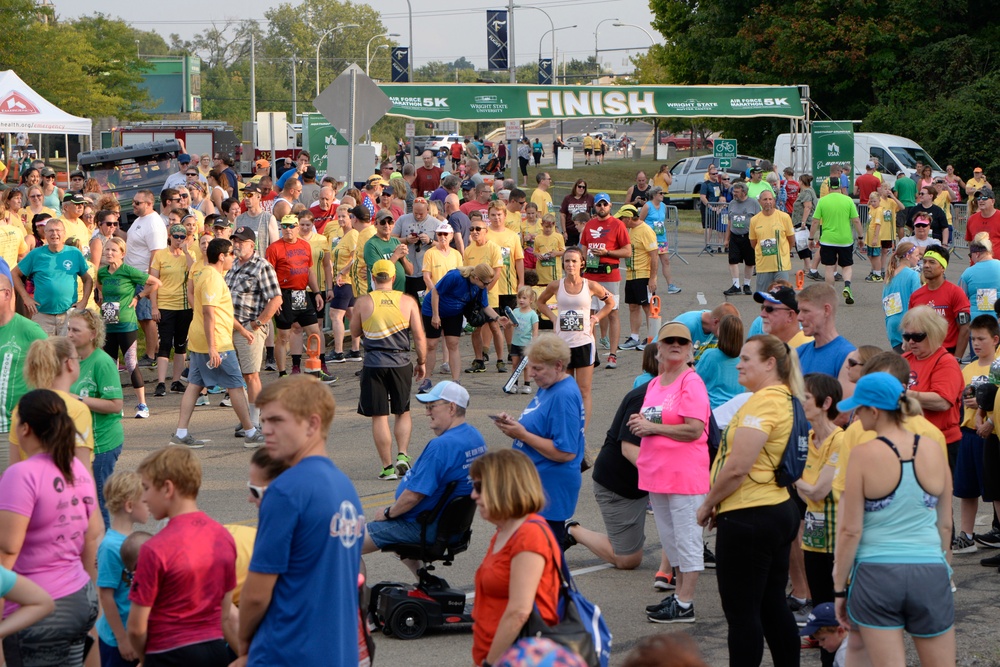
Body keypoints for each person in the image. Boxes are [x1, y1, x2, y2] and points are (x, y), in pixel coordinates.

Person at [235, 376, 365, 667]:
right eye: (264, 420)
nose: (266, 429)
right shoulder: (345, 487)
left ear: (312, 424)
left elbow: (256, 593)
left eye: (277, 421)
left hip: (289, 650)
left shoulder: (286, 490)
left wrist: (244, 643)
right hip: (339, 651)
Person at [832, 372, 954, 667]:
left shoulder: (863, 454)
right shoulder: (934, 449)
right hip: (929, 570)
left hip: (877, 573)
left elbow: (850, 530)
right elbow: (946, 523)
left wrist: (839, 587)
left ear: (874, 411)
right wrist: (945, 572)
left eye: (859, 409)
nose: (856, 416)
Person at [696, 335, 803, 667]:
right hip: (773, 509)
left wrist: (708, 503)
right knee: (771, 604)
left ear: (770, 363)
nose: (738, 364)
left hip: (752, 514)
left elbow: (738, 466)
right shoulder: (784, 398)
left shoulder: (764, 402)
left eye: (746, 359)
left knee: (742, 614)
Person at [0, 389, 102, 666]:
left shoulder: (20, 475)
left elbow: (7, 553)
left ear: (25, 428)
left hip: (35, 609)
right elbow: (92, 535)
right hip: (80, 597)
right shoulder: (75, 468)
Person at [630, 321, 711, 623]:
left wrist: (652, 427)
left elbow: (694, 429)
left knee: (687, 538)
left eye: (682, 341)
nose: (675, 344)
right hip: (657, 474)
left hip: (684, 476)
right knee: (670, 539)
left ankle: (686, 603)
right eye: (669, 341)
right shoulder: (655, 383)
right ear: (659, 349)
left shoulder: (691, 382)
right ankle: (678, 596)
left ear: (690, 350)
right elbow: (655, 420)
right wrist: (641, 423)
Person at [127, 446, 237, 666]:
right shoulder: (223, 536)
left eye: (147, 488)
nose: (145, 498)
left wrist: (144, 658)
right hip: (214, 649)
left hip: (168, 652)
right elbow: (225, 613)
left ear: (168, 488)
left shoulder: (154, 549)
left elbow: (136, 628)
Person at [363, 380, 487, 570]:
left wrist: (388, 513)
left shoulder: (441, 446)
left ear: (451, 408)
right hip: (450, 527)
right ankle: (424, 583)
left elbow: (414, 495)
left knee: (342, 546)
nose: (427, 412)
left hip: (425, 527)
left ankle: (354, 599)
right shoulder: (475, 437)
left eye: (432, 406)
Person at [470, 449, 563, 667]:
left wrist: (490, 663)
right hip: (496, 653)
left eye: (479, 487)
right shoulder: (504, 531)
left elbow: (519, 612)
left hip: (519, 658)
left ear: (502, 488)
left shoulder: (529, 535)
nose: (473, 495)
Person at [491, 334, 586, 545]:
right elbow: (541, 426)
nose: (531, 374)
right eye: (530, 368)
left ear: (558, 365)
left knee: (543, 562)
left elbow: (565, 452)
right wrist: (515, 427)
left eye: (537, 369)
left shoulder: (563, 395)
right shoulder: (548, 387)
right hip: (534, 485)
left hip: (549, 489)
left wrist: (522, 434)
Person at [171, 238, 263, 448]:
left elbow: (220, 310)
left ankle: (181, 433)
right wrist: (213, 347)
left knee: (195, 384)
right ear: (221, 256)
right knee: (236, 385)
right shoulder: (212, 277)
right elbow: (209, 313)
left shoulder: (208, 273)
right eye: (231, 253)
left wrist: (241, 329)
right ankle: (250, 433)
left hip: (202, 340)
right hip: (216, 342)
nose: (234, 257)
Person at [350, 259, 427, 480]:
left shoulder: (363, 301)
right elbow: (419, 336)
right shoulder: (408, 301)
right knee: (403, 411)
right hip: (401, 362)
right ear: (394, 278)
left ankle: (387, 467)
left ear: (373, 278)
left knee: (379, 415)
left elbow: (354, 332)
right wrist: (421, 362)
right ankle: (403, 454)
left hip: (374, 363)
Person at [792, 373, 843, 662]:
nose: (801, 402)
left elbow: (819, 492)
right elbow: (807, 493)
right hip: (813, 539)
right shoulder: (805, 439)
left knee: (839, 611)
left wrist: (793, 477)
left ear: (826, 403)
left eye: (806, 397)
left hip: (838, 539)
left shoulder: (841, 440)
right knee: (822, 610)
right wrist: (803, 485)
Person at [535, 247, 613, 426]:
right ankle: (567, 425)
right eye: (567, 261)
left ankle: (582, 430)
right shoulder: (556, 285)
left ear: (582, 263)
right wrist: (554, 318)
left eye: (574, 261)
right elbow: (540, 302)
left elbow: (610, 302)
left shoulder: (590, 285)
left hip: (584, 341)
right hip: (563, 345)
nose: (570, 265)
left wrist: (595, 318)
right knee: (564, 389)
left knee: (583, 390)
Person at [66, 311, 125, 528]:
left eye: (75, 330)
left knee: (99, 504)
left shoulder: (102, 362)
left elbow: (115, 404)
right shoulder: (71, 360)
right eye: (69, 329)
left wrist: (78, 399)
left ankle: (106, 556)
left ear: (92, 334)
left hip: (101, 444)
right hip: (80, 444)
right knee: (81, 503)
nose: (70, 334)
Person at [97, 237, 162, 419]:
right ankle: (116, 405)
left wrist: (138, 296)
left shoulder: (128, 271)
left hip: (126, 324)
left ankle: (142, 405)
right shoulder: (102, 273)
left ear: (122, 254)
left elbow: (156, 283)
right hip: (108, 324)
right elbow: (100, 286)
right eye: (107, 250)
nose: (109, 253)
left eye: (113, 250)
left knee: (131, 363)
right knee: (110, 366)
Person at [227, 225, 283, 433]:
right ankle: (247, 419)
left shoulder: (262, 266)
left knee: (251, 375)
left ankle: (255, 420)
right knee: (237, 376)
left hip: (249, 329)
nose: (236, 245)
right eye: (235, 241)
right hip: (231, 328)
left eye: (241, 241)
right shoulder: (233, 264)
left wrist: (257, 323)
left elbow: (276, 299)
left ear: (252, 244)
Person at [954, 315, 1000, 553]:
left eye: (981, 338)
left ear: (995, 339)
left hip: (991, 434)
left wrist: (987, 416)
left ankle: (997, 530)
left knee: (994, 489)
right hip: (969, 432)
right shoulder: (967, 369)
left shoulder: (998, 364)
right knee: (966, 488)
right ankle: (967, 533)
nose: (976, 344)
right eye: (972, 339)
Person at [901, 305, 964, 473]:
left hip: (940, 442)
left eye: (918, 336)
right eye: (907, 336)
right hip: (908, 440)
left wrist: (904, 394)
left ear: (934, 333)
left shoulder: (945, 362)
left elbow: (942, 402)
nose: (911, 341)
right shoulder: (904, 359)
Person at [95, 471, 149, 666]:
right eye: (145, 501)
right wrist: (122, 639)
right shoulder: (110, 547)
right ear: (129, 505)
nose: (149, 505)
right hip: (117, 640)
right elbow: (106, 596)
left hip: (135, 632)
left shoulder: (134, 540)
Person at [265, 214, 328, 379]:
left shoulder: (305, 245)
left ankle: (313, 367)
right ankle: (283, 373)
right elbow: (268, 276)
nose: (287, 230)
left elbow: (309, 271)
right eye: (284, 226)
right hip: (284, 294)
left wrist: (316, 293)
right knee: (284, 335)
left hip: (302, 292)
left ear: (297, 227)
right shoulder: (274, 248)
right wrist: (274, 298)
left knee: (314, 331)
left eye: (291, 226)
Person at [12, 217, 93, 335]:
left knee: (69, 351)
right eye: (50, 230)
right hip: (42, 315)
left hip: (68, 314)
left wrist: (83, 301)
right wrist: (26, 298)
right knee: (44, 352)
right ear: (44, 233)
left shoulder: (74, 253)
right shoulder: (36, 254)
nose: (54, 234)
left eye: (58, 230)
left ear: (64, 233)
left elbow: (88, 279)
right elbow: (14, 274)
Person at [582, 192, 632, 368]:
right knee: (589, 314)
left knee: (612, 313)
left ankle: (612, 354)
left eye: (605, 204)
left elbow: (627, 251)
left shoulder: (618, 225)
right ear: (594, 207)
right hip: (590, 276)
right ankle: (592, 353)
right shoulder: (589, 225)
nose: (602, 207)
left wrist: (607, 253)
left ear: (610, 206)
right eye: (598, 204)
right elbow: (583, 248)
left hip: (610, 275)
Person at [150, 224, 195, 397]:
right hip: (165, 304)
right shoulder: (160, 255)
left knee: (181, 344)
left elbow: (194, 271)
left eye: (182, 237)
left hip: (184, 306)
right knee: (165, 343)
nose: (178, 240)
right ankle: (161, 382)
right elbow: (153, 281)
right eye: (176, 236)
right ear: (170, 236)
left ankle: (176, 381)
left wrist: (186, 252)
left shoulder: (188, 255)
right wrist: (154, 306)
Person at [122, 190, 167, 365]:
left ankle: (151, 355)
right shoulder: (141, 220)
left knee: (147, 317)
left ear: (149, 204)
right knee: (142, 317)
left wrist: (149, 280)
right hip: (134, 275)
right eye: (133, 201)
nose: (133, 204)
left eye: (137, 203)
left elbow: (155, 253)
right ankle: (153, 350)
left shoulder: (153, 223)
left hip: (143, 277)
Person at [909, 244, 970, 356]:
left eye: (932, 262)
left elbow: (964, 328)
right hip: (922, 354)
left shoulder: (956, 292)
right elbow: (910, 329)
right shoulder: (916, 296)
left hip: (947, 353)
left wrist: (957, 358)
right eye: (925, 261)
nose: (926, 265)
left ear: (942, 267)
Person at [810, 178, 863, 304]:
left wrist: (811, 238)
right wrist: (861, 237)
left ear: (828, 187)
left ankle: (830, 295)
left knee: (829, 267)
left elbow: (815, 221)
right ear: (840, 187)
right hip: (845, 239)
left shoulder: (822, 201)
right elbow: (856, 220)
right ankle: (847, 285)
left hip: (828, 239)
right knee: (846, 266)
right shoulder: (848, 200)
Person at [796, 284, 856, 386]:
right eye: (799, 311)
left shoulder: (847, 356)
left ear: (826, 310)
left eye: (806, 311)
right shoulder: (799, 352)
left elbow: (846, 400)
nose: (799, 317)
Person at [619, 204, 659, 351]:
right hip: (631, 274)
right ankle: (634, 338)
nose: (620, 221)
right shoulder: (629, 229)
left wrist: (652, 278)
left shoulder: (646, 231)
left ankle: (652, 338)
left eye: (621, 218)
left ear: (629, 218)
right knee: (633, 306)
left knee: (648, 307)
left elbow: (654, 255)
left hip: (643, 274)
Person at [695, 314, 745, 410]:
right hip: (736, 410)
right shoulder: (743, 360)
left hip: (714, 409)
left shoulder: (710, 355)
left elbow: (697, 380)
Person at [638, 186, 680, 294]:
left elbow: (662, 220)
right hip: (650, 238)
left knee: (666, 261)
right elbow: (640, 221)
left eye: (663, 193)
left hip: (661, 237)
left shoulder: (663, 206)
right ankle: (650, 285)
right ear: (654, 195)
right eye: (660, 193)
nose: (662, 195)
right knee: (652, 262)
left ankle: (670, 285)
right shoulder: (647, 206)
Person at [721, 182, 761, 295]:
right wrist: (726, 239)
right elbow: (730, 222)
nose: (734, 194)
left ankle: (747, 285)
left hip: (748, 237)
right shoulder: (732, 203)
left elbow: (759, 220)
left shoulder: (753, 203)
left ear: (744, 192)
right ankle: (736, 285)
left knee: (749, 262)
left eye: (737, 192)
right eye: (734, 191)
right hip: (735, 235)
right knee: (732, 260)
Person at [672, 303, 741, 363]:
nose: (728, 336)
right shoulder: (687, 326)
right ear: (715, 322)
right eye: (727, 332)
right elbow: (669, 361)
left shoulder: (716, 320)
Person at [960, 232, 1000, 325]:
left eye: (971, 255)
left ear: (977, 254)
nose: (971, 259)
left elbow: (961, 299)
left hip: (975, 324)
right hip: (997, 322)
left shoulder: (967, 273)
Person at [505, 286, 540, 395]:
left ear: (531, 300)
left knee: (526, 365)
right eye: (519, 298)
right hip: (515, 343)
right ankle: (514, 384)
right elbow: (508, 325)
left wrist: (533, 343)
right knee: (515, 364)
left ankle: (526, 384)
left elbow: (535, 330)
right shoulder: (515, 311)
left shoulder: (533, 314)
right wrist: (510, 323)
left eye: (524, 298)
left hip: (526, 345)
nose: (521, 300)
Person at [559, 179, 593, 244]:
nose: (581, 188)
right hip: (570, 230)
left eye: (583, 187)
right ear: (575, 187)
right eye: (579, 186)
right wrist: (564, 231)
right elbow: (562, 215)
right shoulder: (568, 198)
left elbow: (595, 210)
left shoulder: (589, 198)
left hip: (584, 230)